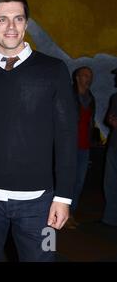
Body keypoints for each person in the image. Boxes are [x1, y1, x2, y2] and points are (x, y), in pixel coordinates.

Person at [0, 0, 77, 262]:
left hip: (38, 201)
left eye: (18, 19)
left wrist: (64, 196)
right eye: (3, 19)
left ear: (26, 23)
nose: (11, 26)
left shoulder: (54, 70)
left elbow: (66, 135)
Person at [66, 66, 96, 229]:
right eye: (85, 75)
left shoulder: (91, 98)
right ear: (77, 77)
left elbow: (90, 123)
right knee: (67, 181)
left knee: (79, 183)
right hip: (69, 146)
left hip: (84, 146)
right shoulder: (69, 95)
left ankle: (70, 213)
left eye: (90, 76)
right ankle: (62, 214)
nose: (89, 79)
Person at [102, 68, 117, 226]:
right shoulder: (115, 97)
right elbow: (109, 119)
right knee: (111, 183)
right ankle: (110, 218)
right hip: (114, 145)